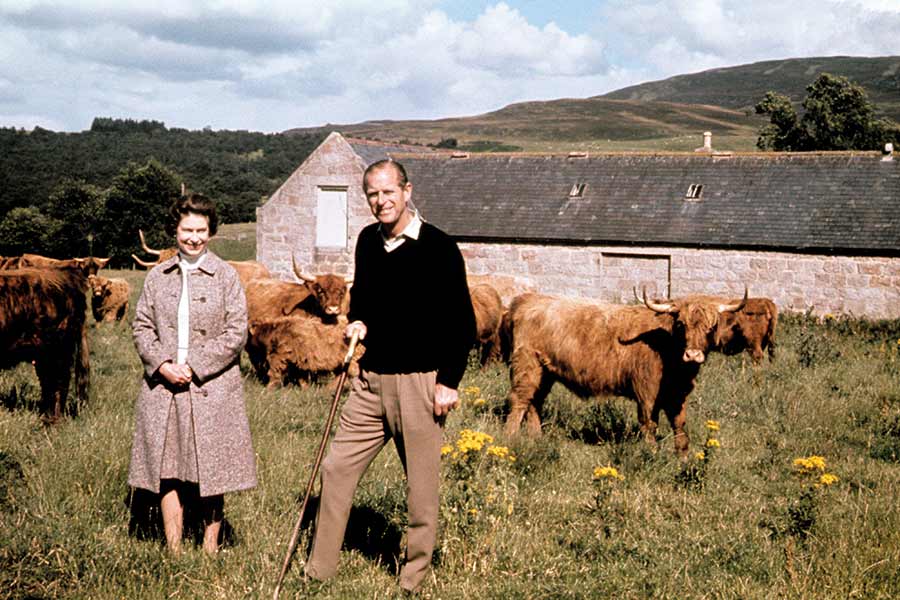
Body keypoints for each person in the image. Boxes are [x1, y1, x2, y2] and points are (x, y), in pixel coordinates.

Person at [305, 159, 476, 593]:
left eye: (388, 192)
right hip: (369, 381)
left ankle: (412, 579)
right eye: (372, 194)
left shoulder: (438, 247)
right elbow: (363, 296)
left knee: (421, 492)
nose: (380, 201)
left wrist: (448, 382)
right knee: (337, 468)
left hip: (420, 383)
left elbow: (463, 323)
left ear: (407, 191)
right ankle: (319, 570)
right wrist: (358, 320)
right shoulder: (367, 241)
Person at [127, 192, 257, 554]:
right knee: (167, 468)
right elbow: (141, 327)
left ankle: (210, 546)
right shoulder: (157, 277)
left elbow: (236, 333)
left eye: (201, 230)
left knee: (211, 467)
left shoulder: (226, 276)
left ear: (211, 232)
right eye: (187, 230)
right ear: (175, 231)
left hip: (212, 387)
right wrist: (162, 366)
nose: (194, 237)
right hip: (163, 388)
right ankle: (173, 547)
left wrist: (196, 366)